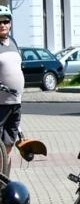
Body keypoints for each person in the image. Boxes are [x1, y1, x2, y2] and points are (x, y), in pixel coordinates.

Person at [0, 10, 47, 180]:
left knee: (9, 145)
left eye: (5, 21)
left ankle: (4, 182)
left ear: (10, 24)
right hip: (0, 104)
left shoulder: (12, 42)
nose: (2, 25)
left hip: (15, 103)